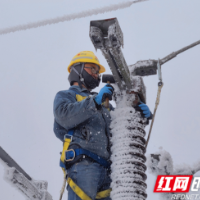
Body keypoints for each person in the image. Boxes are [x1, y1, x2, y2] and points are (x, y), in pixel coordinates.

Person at [53, 51, 152, 200]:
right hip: (84, 164)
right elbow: (63, 116)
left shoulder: (103, 106)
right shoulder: (67, 96)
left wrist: (138, 115)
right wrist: (94, 102)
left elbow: (120, 128)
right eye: (92, 69)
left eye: (97, 71)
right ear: (77, 70)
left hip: (108, 170)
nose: (96, 74)